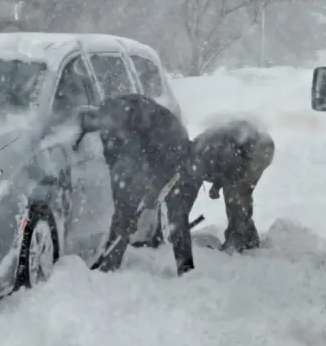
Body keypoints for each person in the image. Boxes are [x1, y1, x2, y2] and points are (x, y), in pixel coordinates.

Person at [87, 93, 201, 276]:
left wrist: (150, 197)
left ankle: (185, 268)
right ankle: (109, 265)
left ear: (129, 122)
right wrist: (123, 202)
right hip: (146, 161)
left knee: (177, 218)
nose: (119, 134)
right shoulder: (109, 121)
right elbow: (114, 158)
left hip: (175, 163)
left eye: (121, 130)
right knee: (122, 215)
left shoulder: (156, 127)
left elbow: (159, 168)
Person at [192, 117, 276, 252]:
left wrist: (218, 186)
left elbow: (228, 162)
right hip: (250, 148)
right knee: (240, 193)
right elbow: (220, 163)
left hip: (257, 148)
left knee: (235, 194)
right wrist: (217, 186)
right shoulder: (201, 149)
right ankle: (249, 237)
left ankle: (237, 241)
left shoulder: (201, 152)